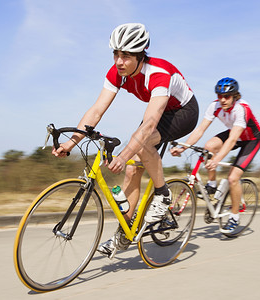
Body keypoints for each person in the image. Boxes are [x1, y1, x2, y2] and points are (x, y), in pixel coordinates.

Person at [52, 23, 199, 256]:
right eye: (116, 54)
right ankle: (125, 233)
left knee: (143, 144)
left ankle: (163, 195)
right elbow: (96, 110)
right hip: (158, 114)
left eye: (126, 56)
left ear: (141, 56)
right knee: (131, 171)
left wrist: (124, 154)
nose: (119, 61)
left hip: (183, 112)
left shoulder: (158, 74)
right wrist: (71, 143)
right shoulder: (116, 73)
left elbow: (150, 124)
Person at [171, 77, 260, 233]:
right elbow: (200, 130)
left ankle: (234, 216)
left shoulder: (242, 109)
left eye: (226, 96)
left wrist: (217, 160)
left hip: (250, 140)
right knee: (208, 147)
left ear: (235, 96)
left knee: (233, 178)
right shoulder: (215, 106)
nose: (223, 100)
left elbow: (233, 139)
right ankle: (212, 185)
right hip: (234, 134)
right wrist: (183, 147)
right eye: (220, 96)